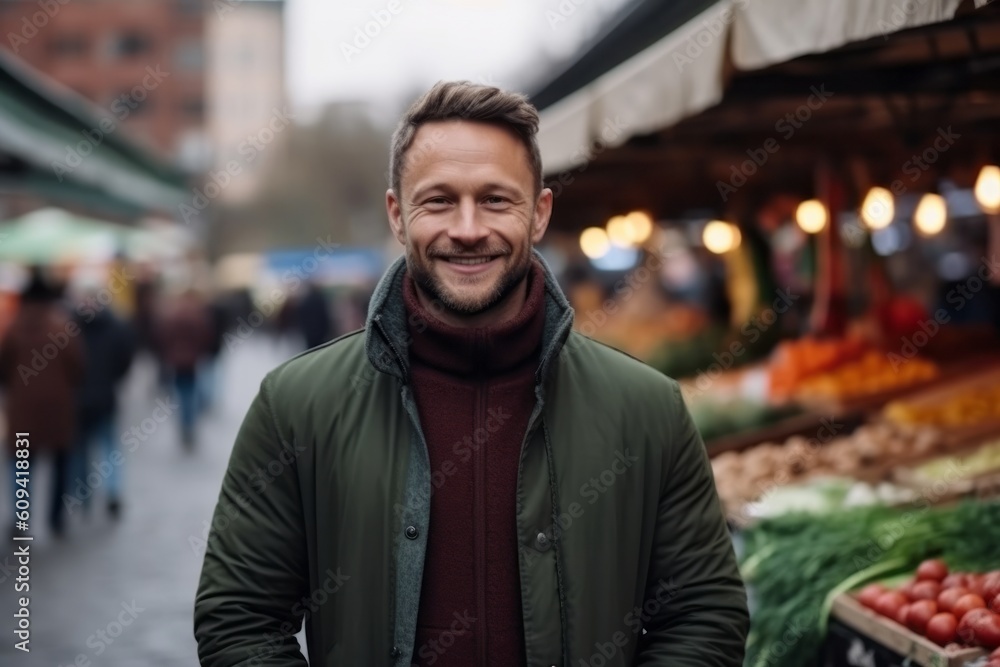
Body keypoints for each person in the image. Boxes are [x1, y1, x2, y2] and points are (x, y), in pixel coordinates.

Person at [195, 81, 748, 666]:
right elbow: (240, 619)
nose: (466, 229)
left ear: (538, 214)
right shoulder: (297, 405)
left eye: (495, 200)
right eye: (437, 200)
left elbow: (703, 614)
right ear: (397, 215)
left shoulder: (647, 409)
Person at [0, 267, 84, 537]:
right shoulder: (62, 328)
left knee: (22, 465)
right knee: (61, 464)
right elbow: (79, 368)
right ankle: (56, 518)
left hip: (22, 411)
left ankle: (22, 519)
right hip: (57, 411)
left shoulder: (13, 328)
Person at [68, 275, 137, 519]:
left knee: (85, 449)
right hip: (102, 396)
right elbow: (126, 360)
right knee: (104, 448)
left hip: (83, 398)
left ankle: (87, 495)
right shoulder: (116, 324)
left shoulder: (68, 324)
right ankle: (109, 492)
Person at [155, 287, 212, 449]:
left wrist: (168, 354)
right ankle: (189, 423)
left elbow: (162, 337)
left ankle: (183, 423)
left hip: (176, 361)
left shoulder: (171, 317)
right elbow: (205, 336)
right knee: (190, 393)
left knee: (180, 393)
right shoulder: (197, 316)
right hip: (192, 361)